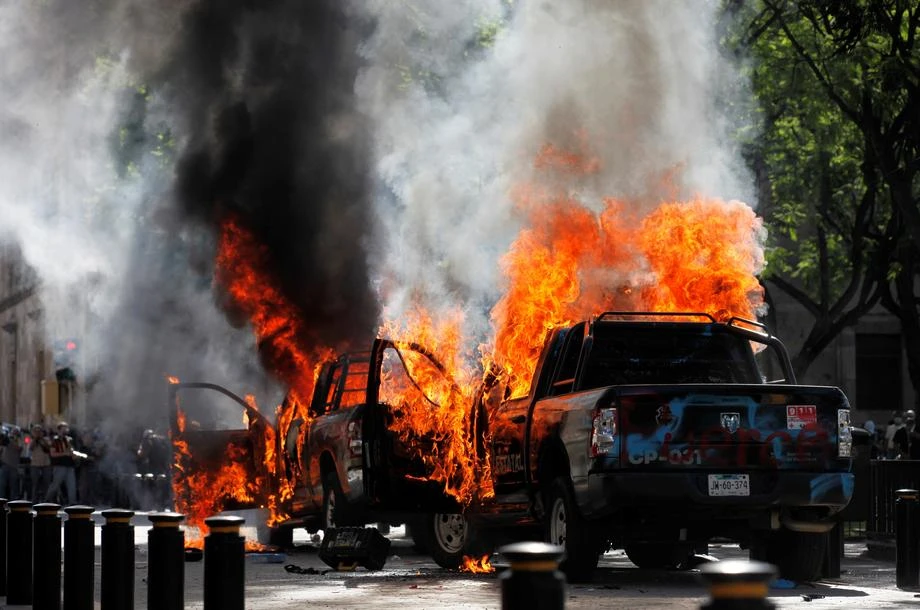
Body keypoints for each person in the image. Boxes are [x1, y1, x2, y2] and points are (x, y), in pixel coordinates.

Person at [45, 422, 78, 505]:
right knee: (55, 485)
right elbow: (52, 454)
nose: (65, 430)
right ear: (59, 430)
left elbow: (72, 451)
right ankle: (47, 500)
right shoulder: (55, 440)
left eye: (66, 428)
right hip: (59, 466)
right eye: (63, 429)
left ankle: (72, 503)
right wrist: (64, 453)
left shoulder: (70, 439)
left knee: (72, 485)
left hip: (70, 465)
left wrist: (73, 455)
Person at [29, 424, 52, 502]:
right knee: (35, 484)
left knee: (47, 483)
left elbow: (48, 448)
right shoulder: (32, 440)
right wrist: (35, 439)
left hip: (46, 464)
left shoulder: (46, 439)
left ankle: (46, 500)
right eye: (36, 431)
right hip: (35, 464)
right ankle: (34, 500)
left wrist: (42, 439)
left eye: (39, 431)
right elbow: (31, 448)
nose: (38, 433)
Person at [0, 427, 23, 499]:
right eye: (13, 432)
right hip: (4, 464)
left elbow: (19, 448)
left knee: (13, 486)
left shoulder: (19, 440)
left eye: (16, 432)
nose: (14, 433)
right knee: (2, 484)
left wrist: (10, 442)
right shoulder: (6, 439)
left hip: (13, 466)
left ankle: (12, 503)